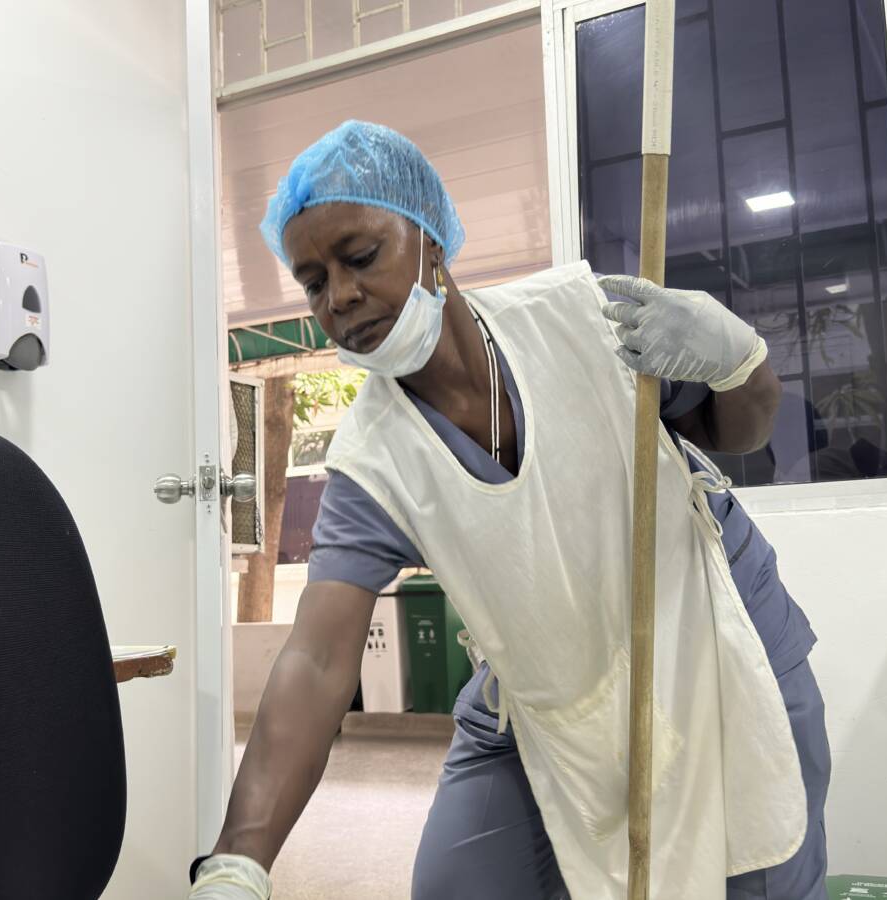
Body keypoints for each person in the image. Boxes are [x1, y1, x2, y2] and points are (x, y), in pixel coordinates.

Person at [189, 121, 831, 900]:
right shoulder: (371, 458)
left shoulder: (580, 317)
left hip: (712, 632)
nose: (340, 298)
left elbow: (740, 431)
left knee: (752, 859)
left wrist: (739, 362)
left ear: (430, 239)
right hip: (547, 685)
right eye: (314, 281)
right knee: (461, 883)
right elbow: (317, 661)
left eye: (359, 257)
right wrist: (238, 860)